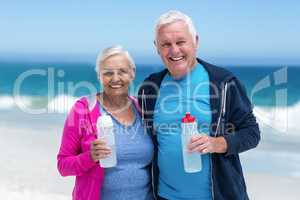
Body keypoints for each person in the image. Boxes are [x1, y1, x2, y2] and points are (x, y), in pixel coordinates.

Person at [138, 10, 260, 200]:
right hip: (164, 196)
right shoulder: (149, 88)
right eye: (166, 44)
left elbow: (251, 133)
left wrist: (217, 143)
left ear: (195, 41)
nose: (174, 50)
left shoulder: (224, 82)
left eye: (180, 42)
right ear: (157, 47)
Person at [57, 46, 154, 200]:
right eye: (108, 73)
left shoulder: (143, 109)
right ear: (99, 76)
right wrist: (90, 157)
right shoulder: (82, 110)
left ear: (132, 73)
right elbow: (63, 165)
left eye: (122, 71)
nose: (115, 78)